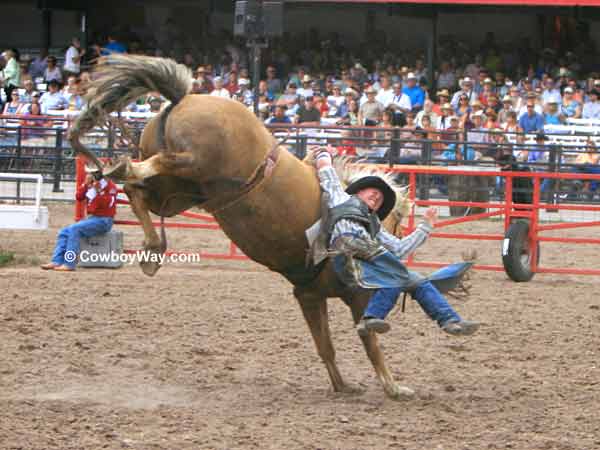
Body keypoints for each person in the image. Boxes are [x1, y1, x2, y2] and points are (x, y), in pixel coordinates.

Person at [309, 149, 480, 337]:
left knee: (414, 280)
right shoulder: (340, 197)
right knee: (398, 273)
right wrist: (324, 153)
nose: (377, 197)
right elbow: (326, 170)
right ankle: (373, 316)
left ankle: (449, 321)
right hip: (346, 254)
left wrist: (425, 227)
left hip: (367, 260)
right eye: (374, 192)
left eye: (380, 199)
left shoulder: (375, 225)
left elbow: (399, 248)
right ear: (359, 191)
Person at [41, 166, 117, 271]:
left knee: (74, 229)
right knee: (64, 232)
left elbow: (100, 205)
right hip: (93, 219)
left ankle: (69, 263)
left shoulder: (109, 187)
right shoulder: (92, 185)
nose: (90, 176)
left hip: (104, 220)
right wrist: (86, 185)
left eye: (93, 173)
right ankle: (57, 261)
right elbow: (79, 196)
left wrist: (97, 191)